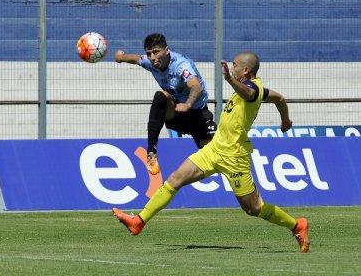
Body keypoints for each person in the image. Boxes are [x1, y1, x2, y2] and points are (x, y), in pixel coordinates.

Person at [112, 51, 310, 253]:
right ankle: (139, 221)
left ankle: (297, 225)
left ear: (246, 70)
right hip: (215, 148)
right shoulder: (259, 89)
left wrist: (229, 79)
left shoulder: (251, 89)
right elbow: (279, 98)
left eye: (235, 65)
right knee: (174, 180)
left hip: (234, 156)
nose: (232, 68)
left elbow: (249, 94)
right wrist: (285, 120)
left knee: (253, 209)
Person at [115, 33, 216, 175]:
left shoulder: (181, 65)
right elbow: (137, 59)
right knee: (161, 96)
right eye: (149, 53)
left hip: (196, 112)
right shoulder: (150, 63)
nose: (153, 58)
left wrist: (187, 104)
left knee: (214, 159)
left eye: (156, 52)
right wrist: (120, 57)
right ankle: (151, 152)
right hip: (175, 113)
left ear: (166, 50)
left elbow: (196, 87)